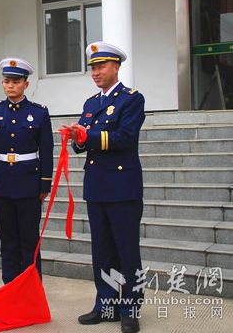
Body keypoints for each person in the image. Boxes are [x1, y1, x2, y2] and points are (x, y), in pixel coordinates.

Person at [63, 41, 145, 333]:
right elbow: (80, 146)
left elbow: (124, 138)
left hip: (123, 187)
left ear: (116, 67)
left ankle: (130, 309)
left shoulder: (131, 99)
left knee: (126, 251)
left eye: (101, 66)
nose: (96, 72)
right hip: (97, 186)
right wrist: (77, 136)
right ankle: (106, 305)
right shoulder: (91, 103)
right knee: (102, 251)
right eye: (93, 68)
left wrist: (89, 135)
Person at [0, 57, 54, 284]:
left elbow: (46, 150)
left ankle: (31, 289)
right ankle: (10, 289)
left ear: (26, 83)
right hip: (2, 182)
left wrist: (44, 184)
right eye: (6, 81)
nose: (10, 85)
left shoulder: (39, 113)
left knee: (29, 241)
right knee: (8, 240)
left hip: (28, 182)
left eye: (15, 81)